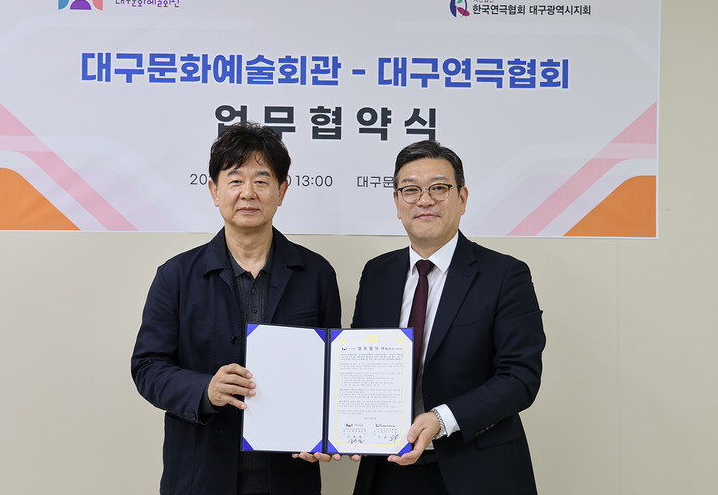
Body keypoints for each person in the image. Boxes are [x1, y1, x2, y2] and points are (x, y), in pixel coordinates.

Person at [131, 121, 341, 495]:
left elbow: (333, 372)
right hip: (199, 473)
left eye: (261, 180)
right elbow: (147, 367)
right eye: (235, 180)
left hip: (288, 475)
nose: (248, 193)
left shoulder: (316, 273)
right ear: (214, 191)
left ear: (282, 190)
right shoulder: (176, 276)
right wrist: (205, 389)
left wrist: (329, 430)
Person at [350, 140, 545, 495]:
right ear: (397, 202)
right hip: (388, 470)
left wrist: (442, 419)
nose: (424, 200)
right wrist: (332, 427)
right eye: (411, 190)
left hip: (479, 471)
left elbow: (520, 377)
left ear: (462, 198)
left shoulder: (504, 275)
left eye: (438, 188)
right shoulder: (377, 274)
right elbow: (356, 364)